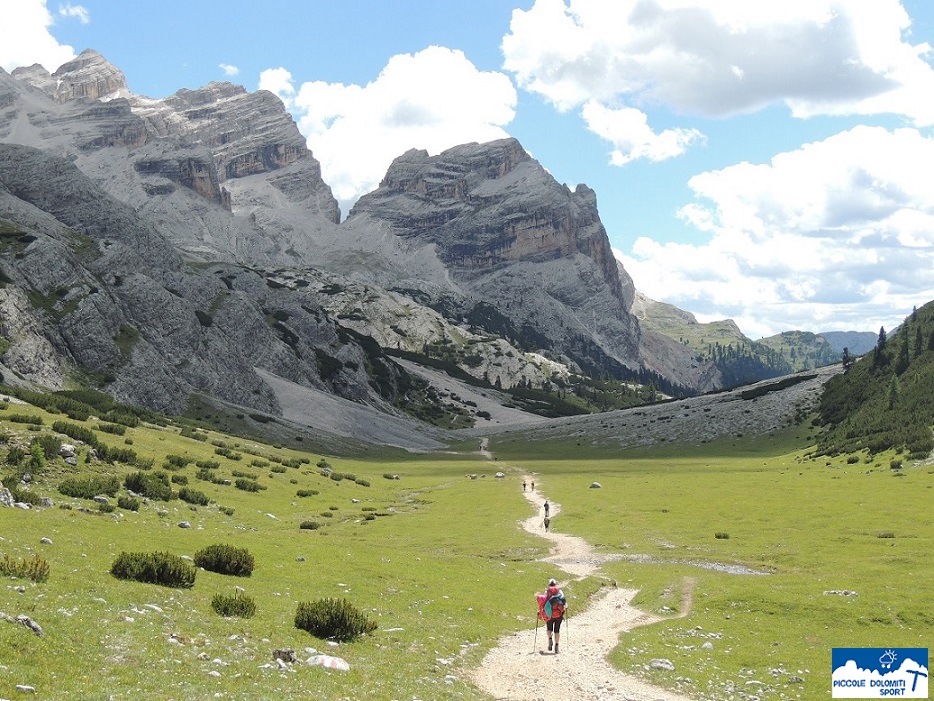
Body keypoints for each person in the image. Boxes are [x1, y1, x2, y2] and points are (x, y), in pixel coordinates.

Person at [543, 578, 566, 653]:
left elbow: (544, 603)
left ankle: (550, 639)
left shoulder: (547, 592)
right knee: (557, 630)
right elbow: (564, 602)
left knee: (549, 629)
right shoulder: (560, 591)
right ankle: (557, 646)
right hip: (559, 614)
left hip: (549, 614)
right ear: (556, 584)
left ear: (549, 584)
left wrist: (541, 611)